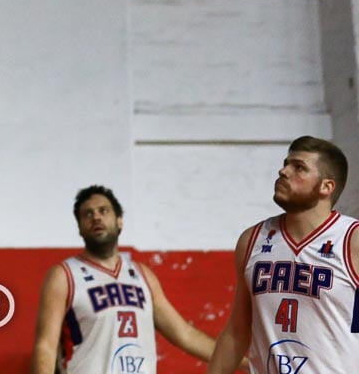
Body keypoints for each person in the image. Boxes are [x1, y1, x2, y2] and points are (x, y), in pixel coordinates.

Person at [31, 185, 245, 374]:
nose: (96, 217)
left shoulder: (143, 275)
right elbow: (46, 346)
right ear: (79, 227)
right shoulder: (64, 275)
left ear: (119, 221)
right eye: (87, 214)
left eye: (103, 211)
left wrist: (243, 362)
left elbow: (184, 334)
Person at [207, 136, 359, 373]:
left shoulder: (352, 240)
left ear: (326, 187)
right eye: (286, 163)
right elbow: (237, 332)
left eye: (299, 167)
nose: (283, 171)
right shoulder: (253, 239)